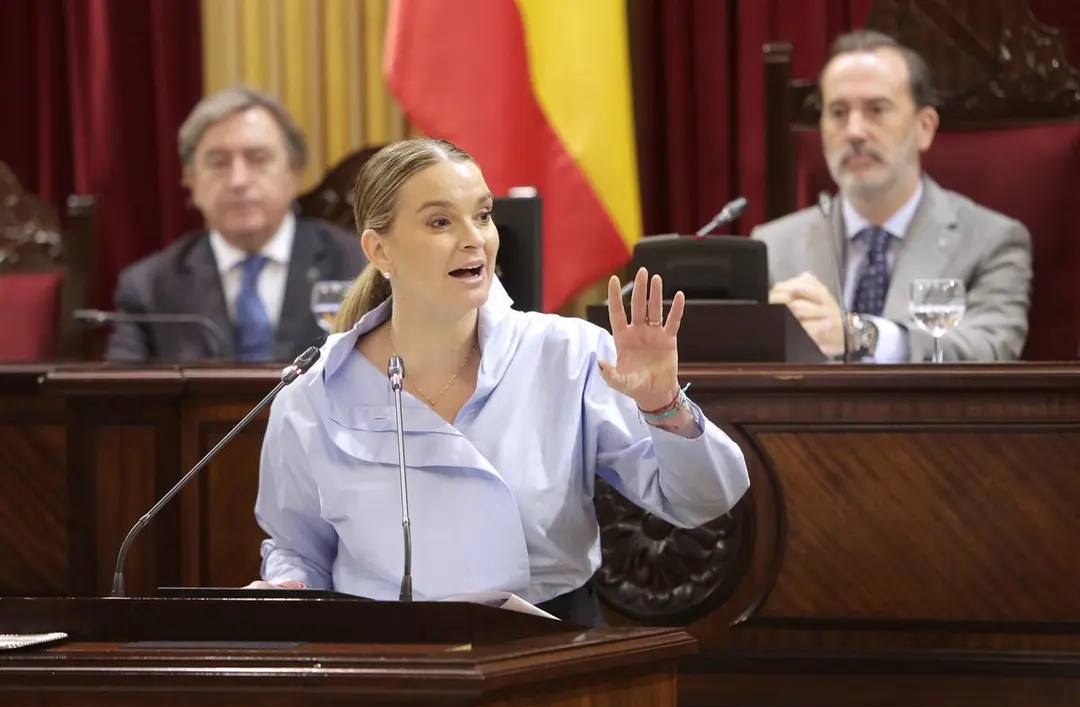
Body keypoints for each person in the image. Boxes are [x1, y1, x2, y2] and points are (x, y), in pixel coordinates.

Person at [247, 138, 750, 626]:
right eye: (441, 221)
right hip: (387, 660)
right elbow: (297, 549)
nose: (475, 238)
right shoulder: (314, 392)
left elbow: (702, 501)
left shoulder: (568, 354)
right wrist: (287, 589)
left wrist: (664, 406)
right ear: (379, 249)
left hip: (549, 650)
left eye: (483, 215)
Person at [752, 30, 1031, 362]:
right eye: (838, 112)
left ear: (924, 127)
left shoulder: (990, 241)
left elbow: (992, 350)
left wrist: (860, 334)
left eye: (877, 109)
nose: (854, 131)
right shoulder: (774, 247)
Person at [105, 85, 367, 363]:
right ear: (191, 180)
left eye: (258, 159)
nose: (238, 181)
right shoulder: (149, 287)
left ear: (294, 172)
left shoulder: (358, 267)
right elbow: (123, 398)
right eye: (218, 163)